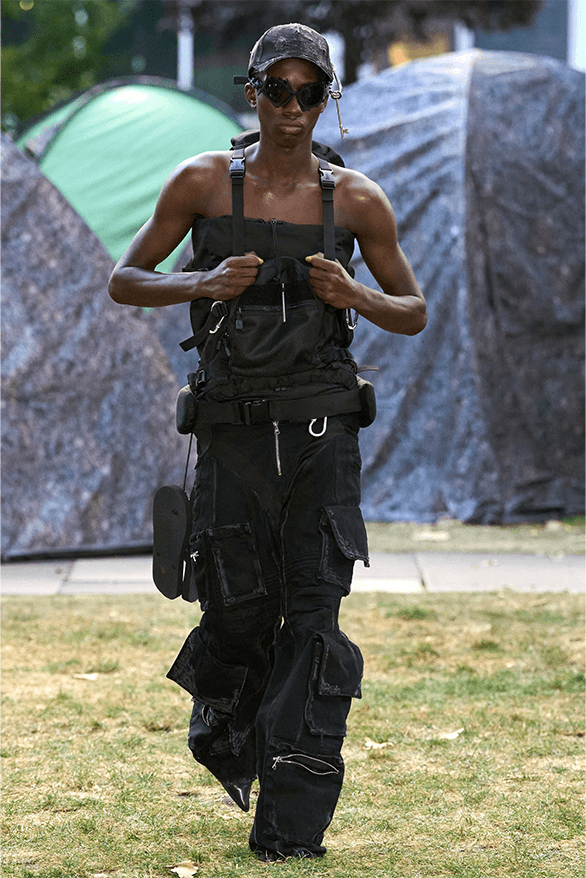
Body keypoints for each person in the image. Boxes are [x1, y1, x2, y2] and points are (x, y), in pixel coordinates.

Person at [108, 22, 426, 862]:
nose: (293, 108)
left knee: (315, 617)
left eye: (309, 92)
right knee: (240, 613)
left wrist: (353, 294)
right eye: (277, 90)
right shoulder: (203, 182)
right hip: (232, 433)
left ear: (328, 100)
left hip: (323, 433)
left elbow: (414, 310)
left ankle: (288, 826)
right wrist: (200, 281)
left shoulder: (356, 199)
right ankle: (223, 728)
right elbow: (124, 278)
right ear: (252, 92)